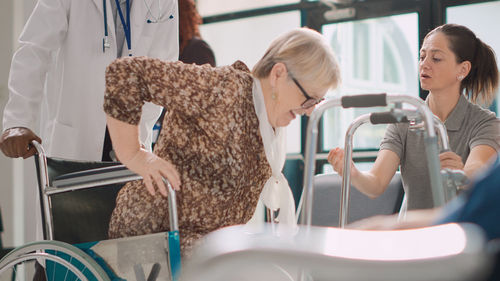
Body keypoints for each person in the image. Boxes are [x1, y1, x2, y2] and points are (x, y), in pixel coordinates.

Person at [103, 27, 341, 254]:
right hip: (157, 236)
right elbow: (126, 73)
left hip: (207, 245)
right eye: (309, 99)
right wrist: (134, 154)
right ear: (278, 74)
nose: (309, 111)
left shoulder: (268, 127)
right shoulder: (223, 89)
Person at [328, 23, 499, 210]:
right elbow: (376, 183)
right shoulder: (403, 121)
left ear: (463, 70)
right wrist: (352, 172)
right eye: (422, 56)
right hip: (413, 230)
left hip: (459, 230)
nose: (424, 64)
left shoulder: (484, 123)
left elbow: (478, 169)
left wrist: (462, 175)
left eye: (436, 58)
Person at [0, 0, 179, 161]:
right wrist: (18, 122)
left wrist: (136, 133)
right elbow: (34, 51)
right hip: (75, 141)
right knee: (72, 197)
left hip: (132, 145)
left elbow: (160, 74)